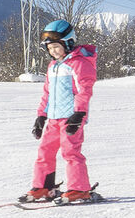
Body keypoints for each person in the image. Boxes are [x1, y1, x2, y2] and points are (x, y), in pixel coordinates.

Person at [19, 20, 101, 204]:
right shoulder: (53, 66)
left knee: (70, 152)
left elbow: (84, 90)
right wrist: (41, 116)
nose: (53, 51)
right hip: (54, 118)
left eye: (56, 47)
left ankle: (79, 189)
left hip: (71, 118)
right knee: (44, 151)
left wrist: (79, 114)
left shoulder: (79, 64)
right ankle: (44, 186)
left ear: (68, 43)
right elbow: (47, 94)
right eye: (50, 48)